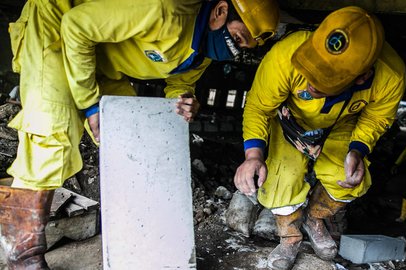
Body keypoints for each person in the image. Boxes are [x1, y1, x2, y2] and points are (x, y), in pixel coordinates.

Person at [1, 0, 279, 268]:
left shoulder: (203, 52)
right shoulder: (163, 10)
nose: (235, 51)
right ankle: (23, 253)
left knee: (132, 134)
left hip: (97, 59)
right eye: (238, 38)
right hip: (56, 27)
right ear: (220, 12)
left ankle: (134, 240)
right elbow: (76, 26)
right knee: (54, 131)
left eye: (244, 46)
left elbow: (179, 84)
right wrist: (89, 105)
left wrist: (183, 99)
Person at [234, 6, 406, 270]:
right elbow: (259, 106)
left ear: (362, 77)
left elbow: (376, 119)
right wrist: (253, 155)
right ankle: (289, 236)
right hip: (292, 120)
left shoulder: (390, 77)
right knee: (279, 179)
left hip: (343, 124)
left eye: (323, 78)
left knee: (348, 178)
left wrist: (358, 150)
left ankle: (315, 219)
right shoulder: (286, 53)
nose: (309, 81)